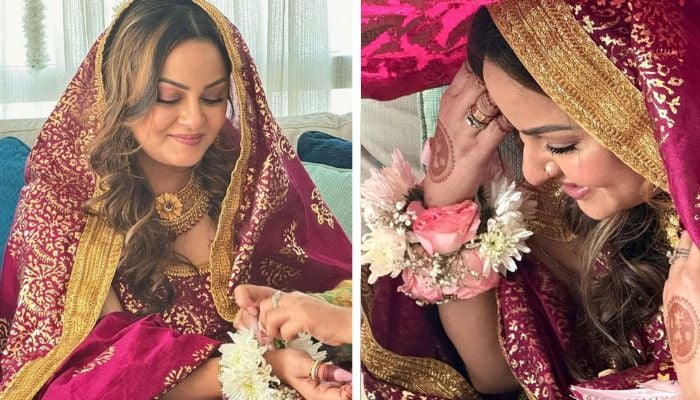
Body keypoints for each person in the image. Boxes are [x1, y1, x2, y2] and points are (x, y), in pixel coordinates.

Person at [0, 1, 351, 399]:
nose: (195, 120)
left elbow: (337, 289)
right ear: (119, 93)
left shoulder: (248, 182)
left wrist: (304, 326)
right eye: (168, 97)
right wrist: (258, 368)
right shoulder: (64, 206)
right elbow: (98, 379)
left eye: (214, 97)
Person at [361, 0, 700, 398]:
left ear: (653, 112)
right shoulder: (575, 212)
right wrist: (446, 200)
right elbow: (497, 374)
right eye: (516, 135)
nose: (531, 172)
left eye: (561, 144)